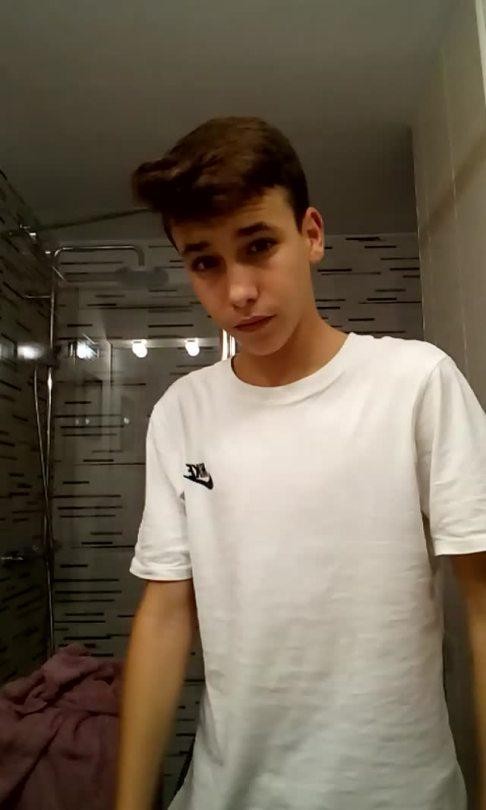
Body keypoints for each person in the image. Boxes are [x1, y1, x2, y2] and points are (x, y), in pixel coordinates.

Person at [115, 116, 486, 810]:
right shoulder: (182, 413)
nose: (238, 291)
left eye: (258, 246)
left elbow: (483, 603)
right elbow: (165, 612)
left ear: (311, 234)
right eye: (206, 262)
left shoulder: (416, 384)